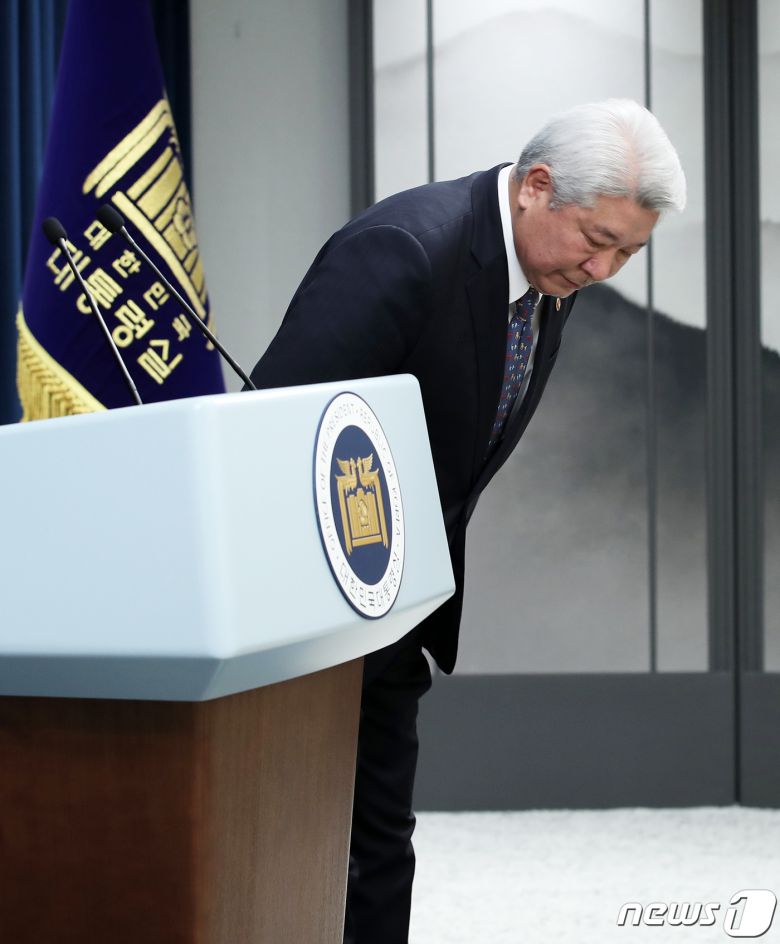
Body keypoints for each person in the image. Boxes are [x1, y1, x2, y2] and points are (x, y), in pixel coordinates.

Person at [248, 98, 686, 944]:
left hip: (393, 603)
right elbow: (274, 431)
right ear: (536, 186)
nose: (604, 270)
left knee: (378, 843)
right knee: (299, 843)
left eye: (629, 253)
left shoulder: (549, 272)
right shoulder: (406, 249)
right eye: (597, 240)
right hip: (311, 615)